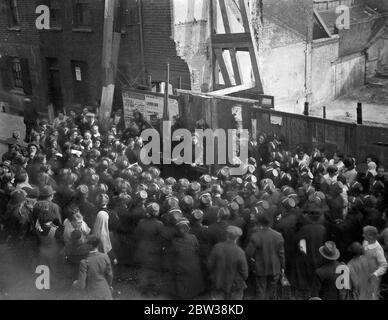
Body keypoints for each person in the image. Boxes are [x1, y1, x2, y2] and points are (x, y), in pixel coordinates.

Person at [245, 214, 285, 300]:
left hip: (260, 268)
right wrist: (283, 266)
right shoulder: (278, 236)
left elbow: (248, 253)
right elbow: (281, 253)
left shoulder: (255, 236)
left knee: (261, 290)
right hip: (275, 267)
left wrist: (253, 263)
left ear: (259, 223)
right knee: (271, 291)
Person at [207, 226, 248, 300]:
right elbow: (245, 273)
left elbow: (209, 265)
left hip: (218, 282)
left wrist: (213, 276)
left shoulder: (217, 247)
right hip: (235, 285)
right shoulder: (240, 252)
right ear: (237, 238)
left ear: (226, 235)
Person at [74, 235, 114, 300]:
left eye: (86, 243)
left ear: (90, 246)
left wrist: (76, 284)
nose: (84, 245)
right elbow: (110, 275)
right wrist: (109, 285)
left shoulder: (84, 262)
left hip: (93, 293)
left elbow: (81, 285)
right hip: (106, 291)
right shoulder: (105, 257)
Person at [362, 226, 388, 300]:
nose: (363, 235)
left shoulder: (378, 250)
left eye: (365, 234)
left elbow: (384, 266)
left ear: (370, 236)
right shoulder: (365, 242)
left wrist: (375, 274)